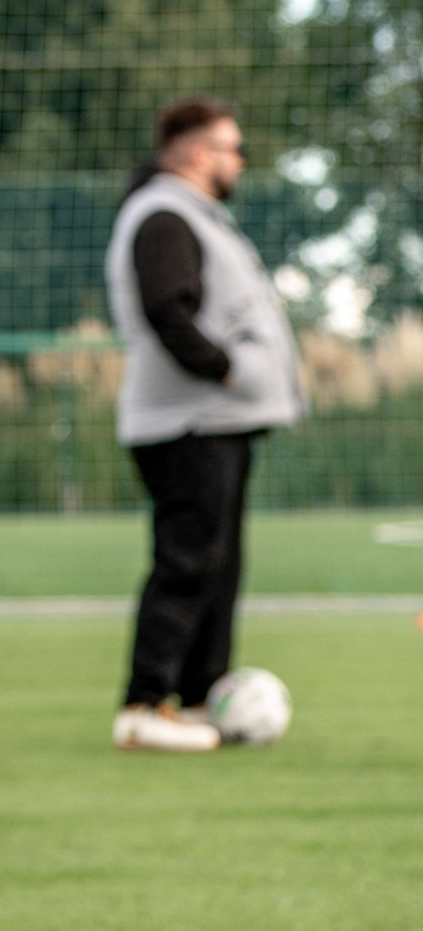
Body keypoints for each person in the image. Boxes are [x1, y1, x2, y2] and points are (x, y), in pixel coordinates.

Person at [106, 97, 302, 754]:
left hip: (215, 422)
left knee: (217, 564)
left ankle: (195, 696)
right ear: (198, 153)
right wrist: (223, 369)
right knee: (187, 561)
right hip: (187, 421)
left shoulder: (194, 215)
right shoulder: (164, 214)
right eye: (231, 147)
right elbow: (167, 307)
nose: (238, 159)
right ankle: (142, 704)